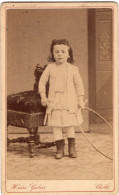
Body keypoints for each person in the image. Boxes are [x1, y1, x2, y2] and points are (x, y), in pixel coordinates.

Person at [39, 39, 85, 159]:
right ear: (52, 54)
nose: (60, 54)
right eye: (56, 51)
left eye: (63, 52)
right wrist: (43, 96)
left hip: (69, 102)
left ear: (69, 54)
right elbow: (42, 82)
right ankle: (59, 149)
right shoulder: (50, 68)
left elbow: (79, 85)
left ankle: (71, 148)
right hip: (55, 102)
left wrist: (80, 100)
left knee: (69, 125)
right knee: (57, 126)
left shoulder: (73, 69)